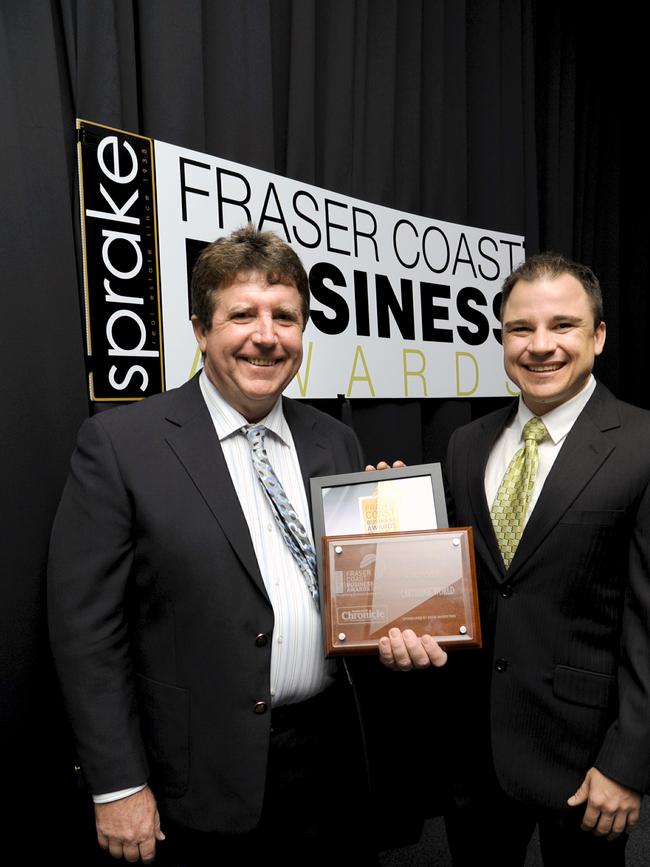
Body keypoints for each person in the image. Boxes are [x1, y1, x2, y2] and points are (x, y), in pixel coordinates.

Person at [48, 225, 441, 865]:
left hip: (331, 758)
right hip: (198, 774)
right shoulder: (122, 444)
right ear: (201, 330)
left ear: (303, 334)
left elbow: (354, 595)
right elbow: (85, 632)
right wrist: (118, 783)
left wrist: (396, 584)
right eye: (242, 315)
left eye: (285, 316)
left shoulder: (333, 442)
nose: (266, 335)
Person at [379, 253, 650, 865]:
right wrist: (391, 513)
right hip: (473, 754)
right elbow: (454, 577)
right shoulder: (467, 443)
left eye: (563, 326)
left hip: (585, 759)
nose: (540, 346)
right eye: (521, 329)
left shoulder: (642, 445)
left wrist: (628, 763)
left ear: (599, 336)